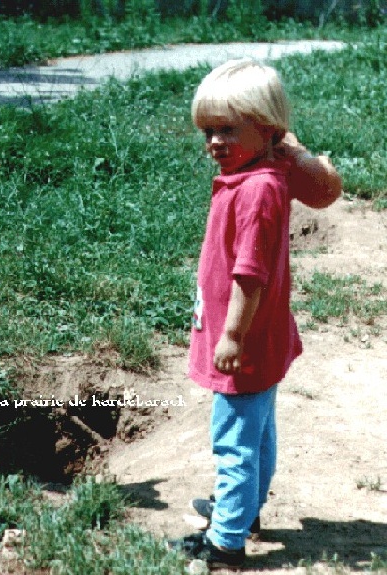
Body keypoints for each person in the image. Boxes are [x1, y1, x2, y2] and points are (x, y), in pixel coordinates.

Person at [169, 59, 342, 570]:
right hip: (259, 337)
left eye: (227, 129)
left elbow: (251, 275)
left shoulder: (257, 189)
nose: (214, 142)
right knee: (259, 430)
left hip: (243, 339)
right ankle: (245, 511)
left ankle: (226, 540)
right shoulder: (258, 174)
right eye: (208, 131)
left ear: (267, 129)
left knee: (234, 442)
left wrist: (231, 337)